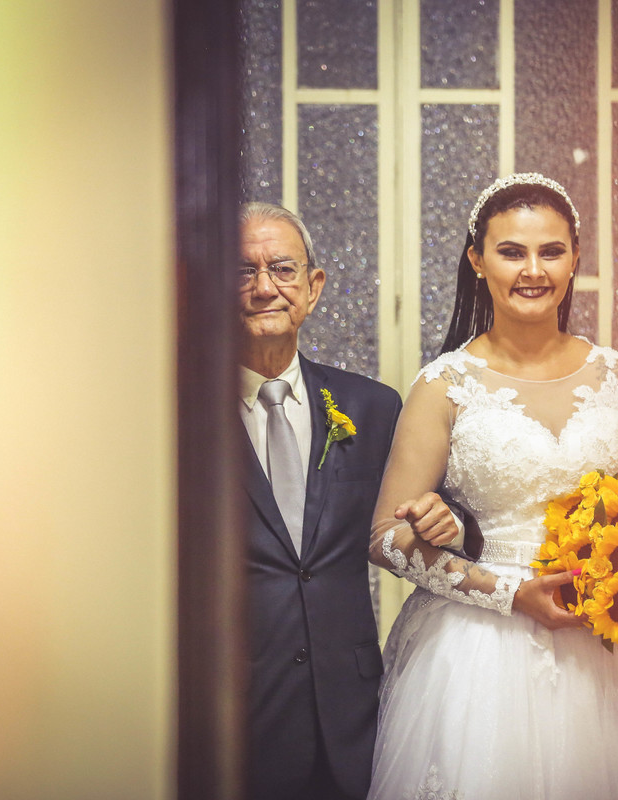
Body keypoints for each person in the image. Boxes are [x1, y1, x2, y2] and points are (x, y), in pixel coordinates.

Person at [367, 175, 618, 799]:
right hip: (480, 655)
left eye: (551, 251)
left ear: (574, 259)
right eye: (512, 252)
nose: (533, 270)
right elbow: (384, 538)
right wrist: (509, 593)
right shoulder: (443, 386)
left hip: (617, 655)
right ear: (477, 260)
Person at [237, 202, 461, 800]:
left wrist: (448, 523)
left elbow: (435, 517)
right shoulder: (177, 415)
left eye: (282, 269)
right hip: (230, 719)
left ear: (313, 288)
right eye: (243, 272)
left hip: (350, 716)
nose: (264, 287)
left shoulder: (372, 407)